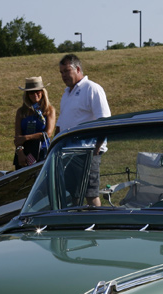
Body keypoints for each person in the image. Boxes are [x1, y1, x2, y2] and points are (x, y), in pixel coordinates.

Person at [56, 54, 111, 206]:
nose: (64, 76)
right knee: (73, 194)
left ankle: (97, 225)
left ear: (78, 69)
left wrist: (96, 150)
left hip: (87, 151)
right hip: (68, 152)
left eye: (66, 71)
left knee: (90, 193)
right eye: (61, 73)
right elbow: (60, 124)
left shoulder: (92, 89)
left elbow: (104, 121)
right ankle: (78, 224)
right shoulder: (66, 94)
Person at [12, 76, 56, 169]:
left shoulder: (49, 110)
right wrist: (20, 152)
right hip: (24, 152)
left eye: (38, 91)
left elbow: (48, 133)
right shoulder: (21, 112)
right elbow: (17, 136)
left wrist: (26, 138)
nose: (35, 94)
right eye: (31, 92)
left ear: (43, 92)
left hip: (42, 152)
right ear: (27, 94)